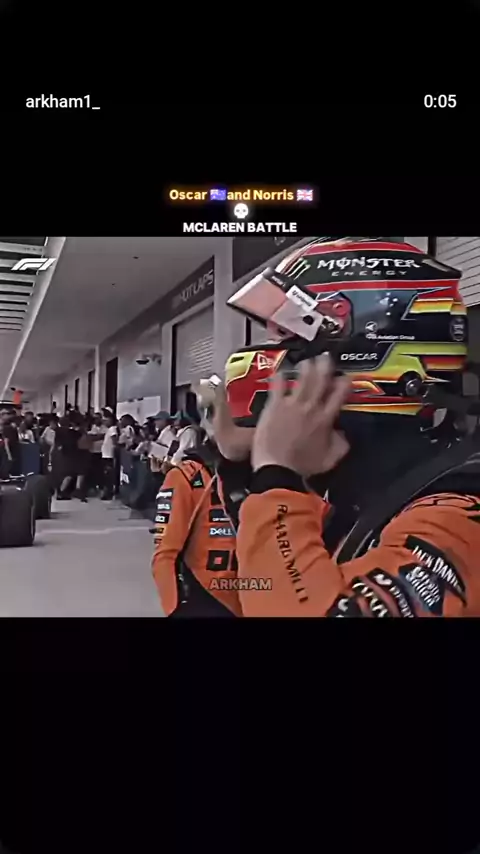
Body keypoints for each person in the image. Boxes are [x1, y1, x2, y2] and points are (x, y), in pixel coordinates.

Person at [212, 236, 480, 617]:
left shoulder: (457, 518)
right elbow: (260, 584)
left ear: (365, 345)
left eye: (290, 335)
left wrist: (277, 477)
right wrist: (247, 467)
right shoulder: (354, 486)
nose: (269, 351)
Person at [151, 390, 240, 618]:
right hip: (210, 597)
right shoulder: (187, 476)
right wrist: (175, 609)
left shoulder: (279, 474)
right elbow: (165, 554)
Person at [101, 412, 119, 500]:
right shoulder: (110, 429)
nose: (104, 422)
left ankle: (108, 493)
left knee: (108, 475)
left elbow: (114, 441)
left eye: (106, 420)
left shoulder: (112, 429)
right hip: (106, 455)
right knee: (107, 475)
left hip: (109, 455)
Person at [87, 412, 106, 492]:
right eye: (95, 418)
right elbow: (90, 438)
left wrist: (96, 437)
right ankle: (92, 486)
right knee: (92, 470)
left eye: (98, 418)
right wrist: (100, 436)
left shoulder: (105, 427)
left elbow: (106, 436)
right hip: (92, 451)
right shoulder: (91, 427)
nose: (96, 420)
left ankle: (101, 486)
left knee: (101, 470)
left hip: (102, 452)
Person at [0, 410, 21, 477]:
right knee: (6, 462)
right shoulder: (5, 427)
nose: (8, 416)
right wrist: (8, 453)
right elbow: (5, 440)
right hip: (3, 446)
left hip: (8, 446)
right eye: (7, 414)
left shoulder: (9, 425)